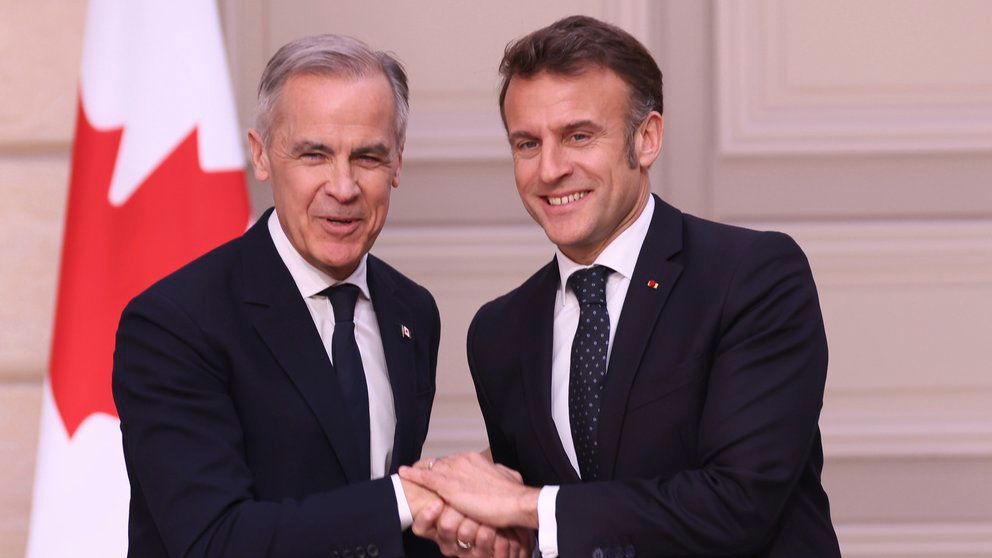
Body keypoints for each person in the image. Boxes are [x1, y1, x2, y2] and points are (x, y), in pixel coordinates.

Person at [401, 15, 841, 557]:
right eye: (527, 144)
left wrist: (525, 507)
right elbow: (560, 533)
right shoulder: (498, 332)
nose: (550, 169)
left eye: (578, 135)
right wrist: (496, 536)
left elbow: (737, 504)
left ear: (647, 138)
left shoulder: (753, 276)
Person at [113, 35, 446, 557]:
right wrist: (411, 497)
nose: (343, 186)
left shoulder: (413, 311)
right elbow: (214, 542)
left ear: (398, 163)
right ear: (261, 155)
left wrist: (464, 524)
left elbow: (386, 536)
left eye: (368, 157)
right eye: (314, 154)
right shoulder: (174, 325)